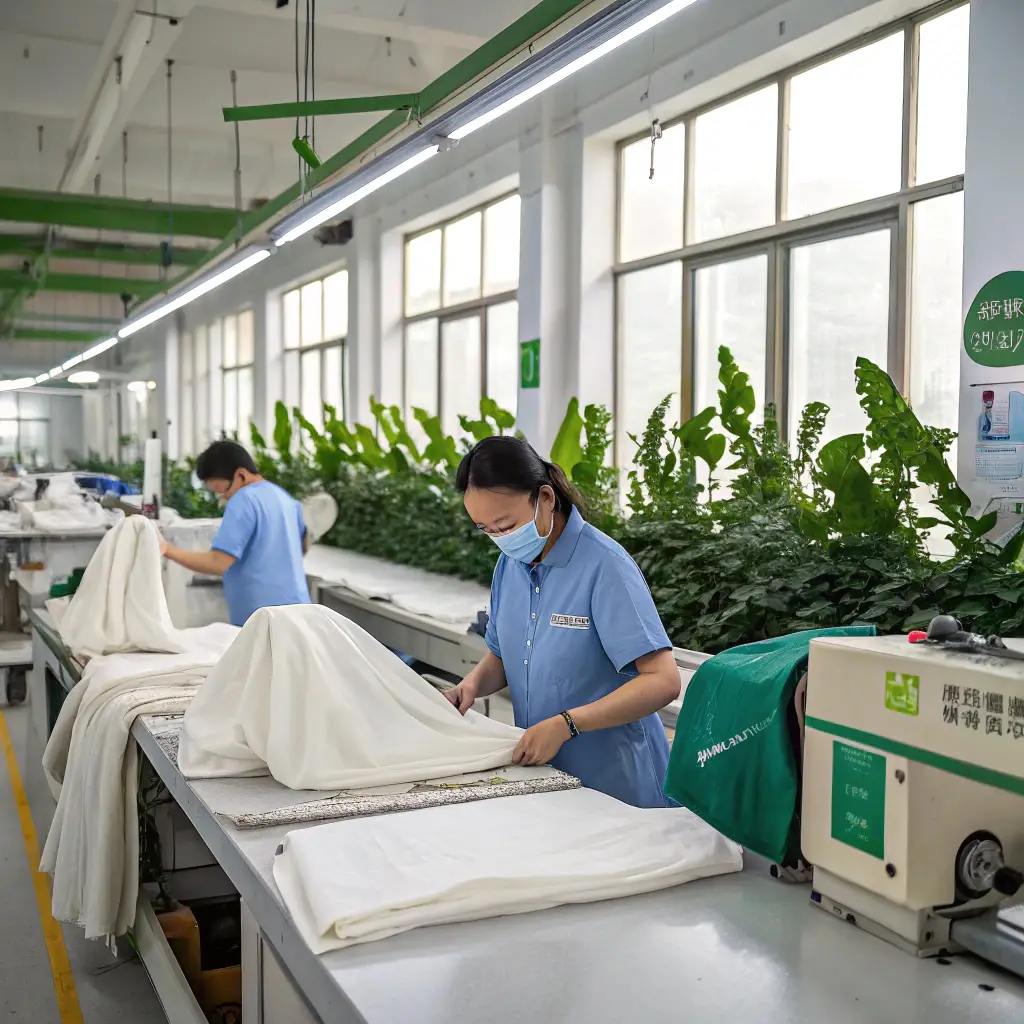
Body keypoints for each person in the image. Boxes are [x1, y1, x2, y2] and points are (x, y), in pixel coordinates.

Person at [446, 435, 680, 808]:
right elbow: (506, 656)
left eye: (505, 525)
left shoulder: (604, 566)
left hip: (618, 786)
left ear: (545, 499)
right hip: (549, 781)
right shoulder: (510, 565)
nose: (500, 539)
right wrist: (471, 686)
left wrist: (566, 724)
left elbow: (663, 681)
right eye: (486, 530)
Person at [160, 440, 311, 626]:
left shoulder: (244, 499)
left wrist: (167, 549)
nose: (224, 497)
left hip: (264, 619)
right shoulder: (285, 498)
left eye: (221, 489)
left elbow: (218, 563)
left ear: (241, 475)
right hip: (300, 612)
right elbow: (302, 547)